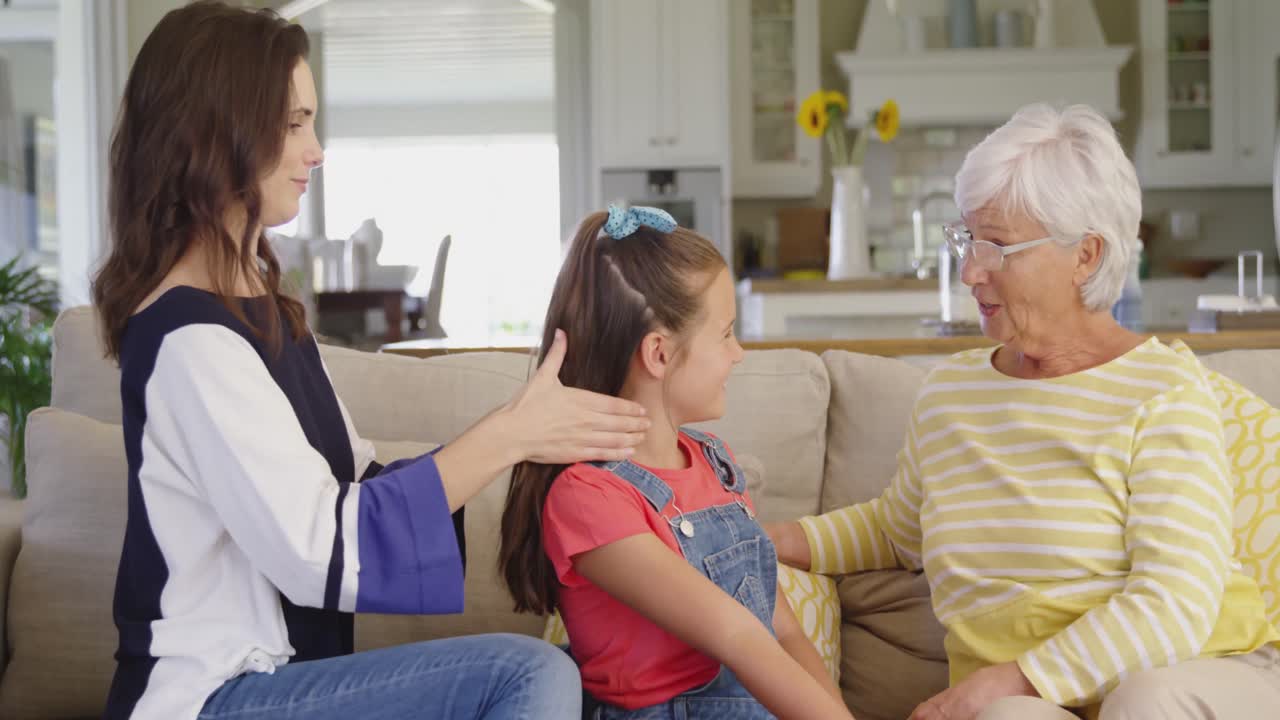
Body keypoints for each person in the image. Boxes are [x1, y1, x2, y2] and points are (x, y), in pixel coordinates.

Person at [90, 3, 649, 719]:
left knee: (568, 673)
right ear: (216, 132)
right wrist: (511, 434)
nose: (316, 150)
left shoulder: (263, 311)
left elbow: (356, 486)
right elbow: (319, 546)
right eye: (295, 123)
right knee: (527, 675)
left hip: (273, 685)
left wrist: (523, 438)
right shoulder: (190, 340)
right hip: (209, 698)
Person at [766, 103, 1280, 720]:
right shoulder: (951, 395)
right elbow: (897, 530)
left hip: (1194, 667)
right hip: (1021, 696)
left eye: (997, 246)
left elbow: (1175, 602)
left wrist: (1010, 680)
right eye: (967, 239)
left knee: (1144, 701)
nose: (969, 271)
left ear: (1085, 255)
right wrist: (772, 539)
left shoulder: (1163, 391)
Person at [498, 205, 854, 720]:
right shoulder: (587, 498)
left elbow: (784, 633)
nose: (738, 353)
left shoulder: (715, 464)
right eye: (726, 333)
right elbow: (737, 637)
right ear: (659, 354)